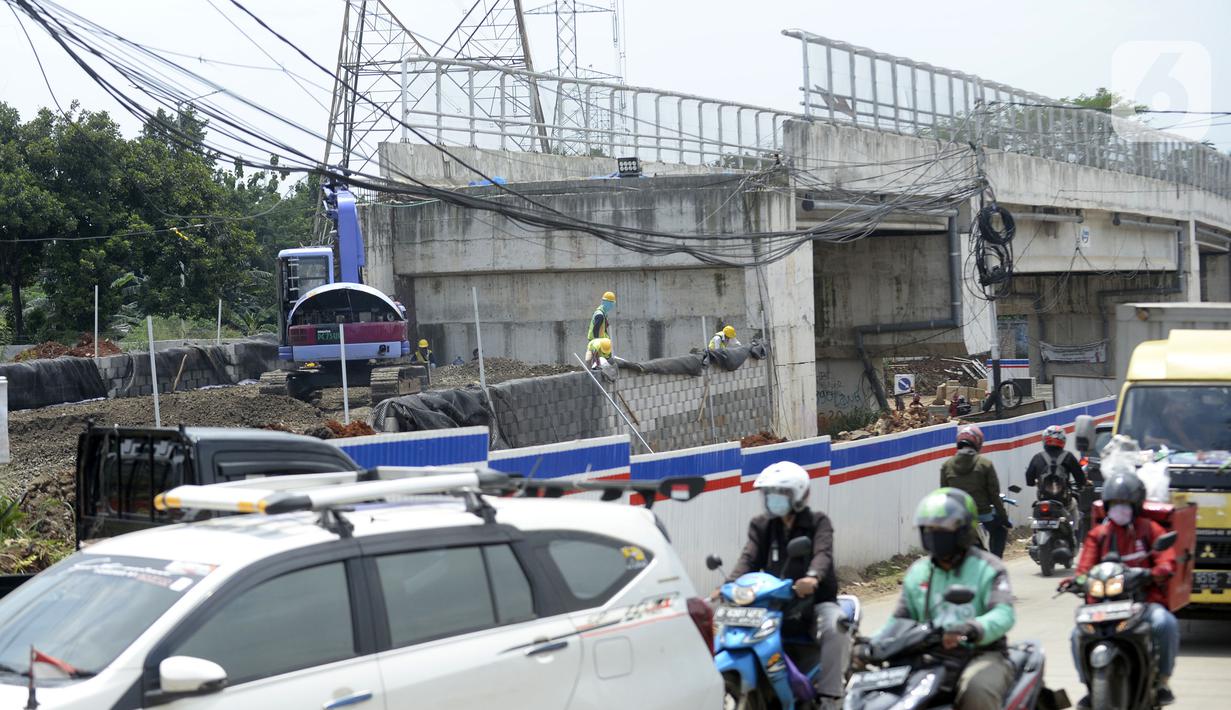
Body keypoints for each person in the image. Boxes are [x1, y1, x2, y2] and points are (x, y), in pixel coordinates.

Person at [875, 488, 1016, 710]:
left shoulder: (988, 567)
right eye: (929, 528)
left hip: (981, 654)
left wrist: (971, 628)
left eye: (942, 528)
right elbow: (899, 620)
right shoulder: (918, 572)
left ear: (963, 530)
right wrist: (871, 644)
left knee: (977, 691)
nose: (934, 534)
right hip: (928, 656)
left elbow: (1004, 613)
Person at [722, 462, 848, 709]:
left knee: (835, 626)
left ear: (799, 495)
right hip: (774, 603)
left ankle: (830, 697)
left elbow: (823, 553)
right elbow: (749, 558)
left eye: (779, 494)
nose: (773, 500)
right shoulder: (762, 525)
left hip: (814, 601)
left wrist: (812, 577)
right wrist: (727, 585)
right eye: (768, 494)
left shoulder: (818, 522)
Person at [1065, 471, 1178, 707]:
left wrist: (1152, 573)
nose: (1120, 509)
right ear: (1107, 505)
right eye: (1115, 504)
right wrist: (1078, 581)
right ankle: (1089, 685)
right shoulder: (1098, 535)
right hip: (1104, 604)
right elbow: (1084, 568)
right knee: (1076, 635)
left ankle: (1163, 681)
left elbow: (1167, 561)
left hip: (1144, 601)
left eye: (1125, 503)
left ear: (1136, 505)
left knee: (1165, 623)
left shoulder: (1151, 529)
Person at [940, 424, 1011, 557]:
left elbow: (944, 496)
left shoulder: (946, 466)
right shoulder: (985, 464)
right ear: (978, 442)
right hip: (982, 514)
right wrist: (1003, 517)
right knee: (1000, 531)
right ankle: (995, 564)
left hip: (958, 516)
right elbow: (994, 495)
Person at [1025, 425, 1086, 526]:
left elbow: (1029, 481)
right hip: (1064, 501)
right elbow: (1080, 478)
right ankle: (1075, 535)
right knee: (1075, 508)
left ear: (1045, 440)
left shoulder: (1037, 457)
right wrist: (1082, 484)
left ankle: (1035, 536)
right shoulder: (1068, 456)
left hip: (1043, 500)